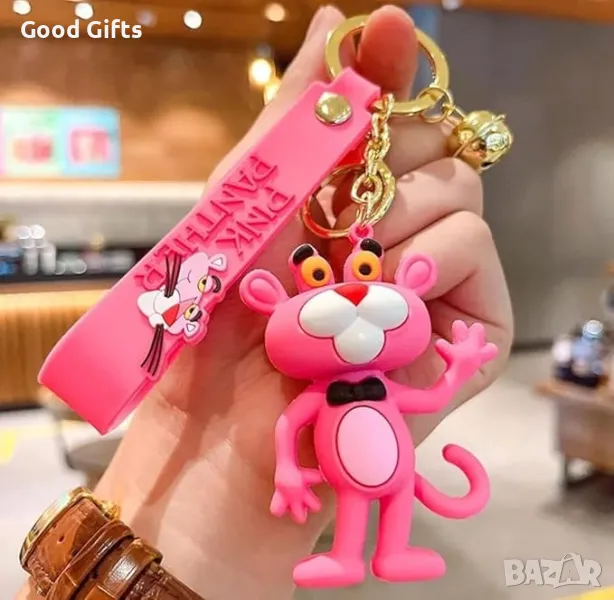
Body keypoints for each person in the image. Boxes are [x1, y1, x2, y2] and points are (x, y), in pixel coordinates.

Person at [17, 5, 512, 599]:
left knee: (393, 499)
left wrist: (458, 362)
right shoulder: (299, 374)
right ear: (268, 298)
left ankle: (394, 551)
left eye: (364, 275)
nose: (354, 296)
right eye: (323, 280)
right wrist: (251, 467)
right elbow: (291, 431)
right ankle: (350, 556)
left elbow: (411, 398)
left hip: (373, 461)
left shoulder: (353, 372)